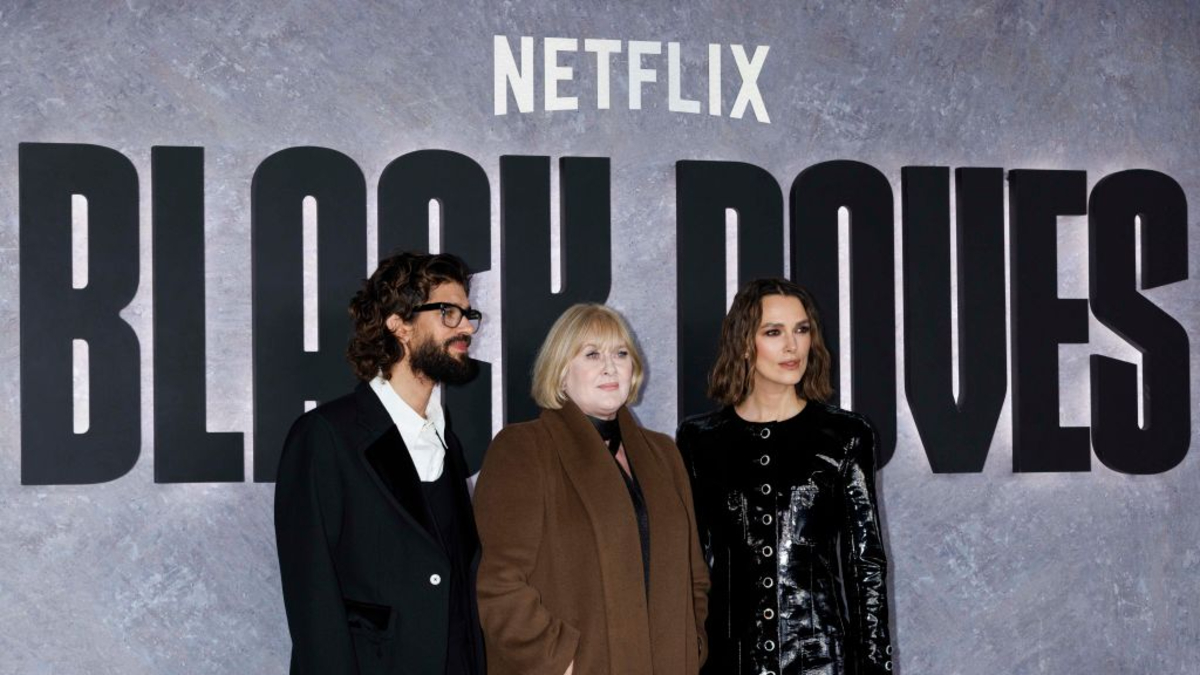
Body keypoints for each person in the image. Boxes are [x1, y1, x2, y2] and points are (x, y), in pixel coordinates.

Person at [274, 251, 486, 675]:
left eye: (467, 313)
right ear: (399, 324)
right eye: (448, 312)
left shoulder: (449, 442)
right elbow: (313, 603)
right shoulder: (325, 437)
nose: (466, 326)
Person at [474, 304, 709, 675]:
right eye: (592, 354)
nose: (610, 366)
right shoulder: (524, 448)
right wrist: (562, 661)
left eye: (620, 353)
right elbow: (499, 585)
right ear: (561, 371)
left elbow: (694, 574)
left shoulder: (664, 454)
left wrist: (692, 645)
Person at [676, 278, 893, 675]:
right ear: (745, 343)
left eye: (802, 329)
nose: (793, 346)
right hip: (728, 662)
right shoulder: (699, 440)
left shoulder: (846, 436)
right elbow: (691, 565)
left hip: (821, 661)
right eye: (774, 332)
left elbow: (865, 567)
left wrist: (876, 669)